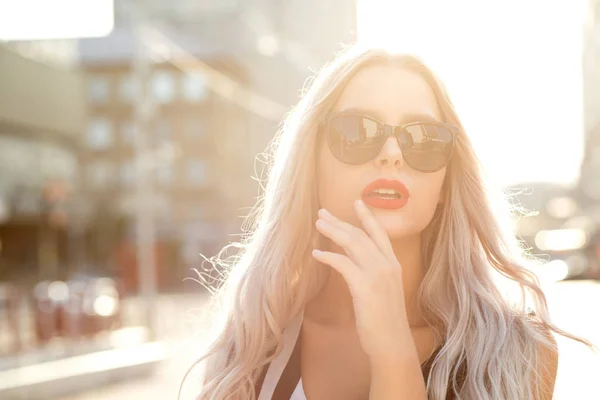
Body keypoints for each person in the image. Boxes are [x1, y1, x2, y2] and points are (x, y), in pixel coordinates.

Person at [186, 46, 588, 400]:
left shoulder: (517, 350)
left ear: (446, 181)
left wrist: (392, 350)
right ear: (313, 162)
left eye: (424, 138)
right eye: (357, 131)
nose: (392, 153)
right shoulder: (251, 348)